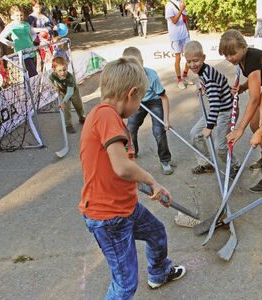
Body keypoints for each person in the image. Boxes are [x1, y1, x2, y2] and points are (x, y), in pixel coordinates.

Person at [79, 57, 186, 299]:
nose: (139, 106)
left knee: (157, 233)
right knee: (125, 284)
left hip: (124, 207)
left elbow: (116, 170)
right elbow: (122, 167)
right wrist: (152, 181)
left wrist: (150, 188)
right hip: (109, 218)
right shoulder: (106, 116)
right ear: (132, 93)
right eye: (140, 100)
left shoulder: (105, 116)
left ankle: (159, 273)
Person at [219, 29, 262, 193]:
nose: (230, 58)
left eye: (232, 53)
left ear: (243, 47)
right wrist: (243, 87)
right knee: (256, 126)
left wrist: (240, 129)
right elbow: (258, 79)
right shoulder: (242, 59)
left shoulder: (252, 60)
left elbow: (254, 99)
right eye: (226, 55)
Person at [184, 40, 240, 176]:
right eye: (189, 61)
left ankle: (235, 165)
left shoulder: (208, 77)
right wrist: (202, 88)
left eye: (196, 61)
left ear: (203, 57)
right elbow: (221, 80)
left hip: (225, 112)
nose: (192, 65)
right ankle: (206, 163)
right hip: (216, 111)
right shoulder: (204, 71)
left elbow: (215, 103)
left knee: (220, 147)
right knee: (195, 134)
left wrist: (209, 126)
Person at [122, 47, 174, 175]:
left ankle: (165, 160)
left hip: (155, 100)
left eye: (138, 67)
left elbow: (164, 98)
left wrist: (166, 120)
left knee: (159, 131)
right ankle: (132, 151)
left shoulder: (152, 76)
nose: (135, 72)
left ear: (142, 62)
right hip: (137, 101)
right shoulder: (125, 77)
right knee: (130, 129)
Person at [0, 5, 38, 77]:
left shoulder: (26, 24)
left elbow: (34, 34)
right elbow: (0, 37)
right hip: (23, 54)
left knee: (30, 75)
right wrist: (12, 44)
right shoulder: (11, 26)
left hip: (32, 51)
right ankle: (33, 87)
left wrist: (30, 40)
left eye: (21, 15)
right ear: (12, 16)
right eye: (17, 15)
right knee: (34, 74)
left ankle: (29, 87)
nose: (19, 17)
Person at [49, 56, 86, 134]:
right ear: (54, 70)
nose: (62, 73)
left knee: (78, 106)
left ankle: (82, 117)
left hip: (73, 92)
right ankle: (68, 125)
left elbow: (70, 92)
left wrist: (63, 102)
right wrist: (54, 86)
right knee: (66, 109)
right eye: (59, 70)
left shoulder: (70, 77)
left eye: (64, 69)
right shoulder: (53, 75)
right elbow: (50, 80)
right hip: (63, 92)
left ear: (67, 67)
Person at [165, 0, 193, 89]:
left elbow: (184, 19)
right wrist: (181, 10)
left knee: (189, 56)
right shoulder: (169, 5)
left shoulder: (181, 2)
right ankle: (179, 80)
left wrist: (188, 32)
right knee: (178, 58)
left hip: (185, 35)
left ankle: (185, 75)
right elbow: (174, 21)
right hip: (175, 36)